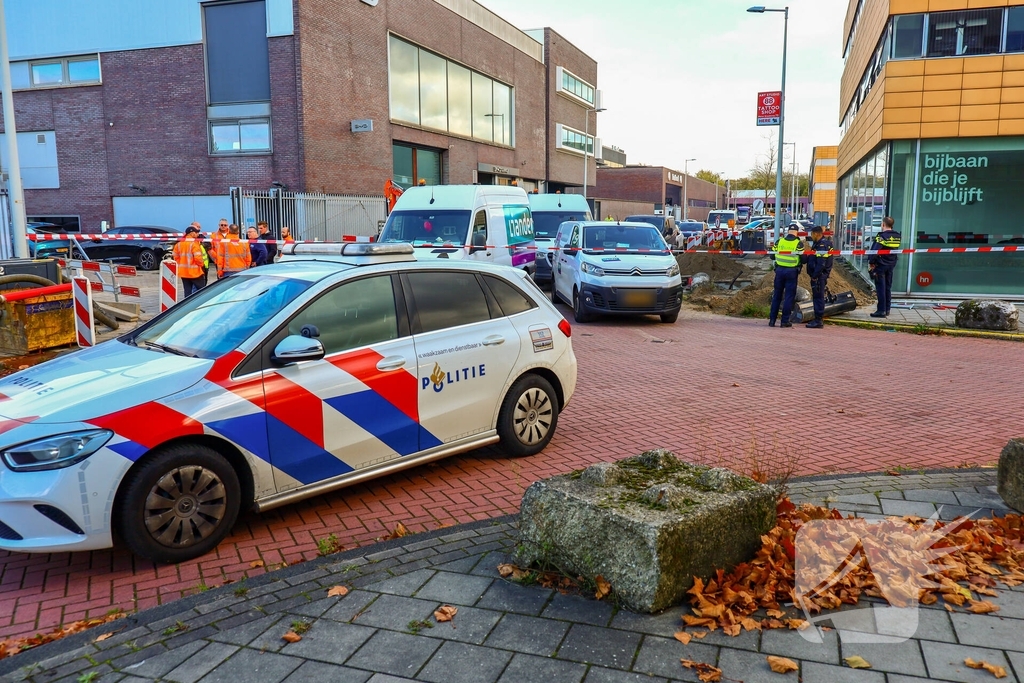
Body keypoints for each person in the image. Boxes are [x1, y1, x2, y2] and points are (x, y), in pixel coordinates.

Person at [769, 225, 803, 328]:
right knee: (789, 297)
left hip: (779, 271)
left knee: (777, 296)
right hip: (792, 272)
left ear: (788, 232)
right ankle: (784, 321)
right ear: (797, 232)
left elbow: (772, 256)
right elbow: (803, 259)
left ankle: (772, 320)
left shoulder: (779, 242)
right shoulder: (798, 243)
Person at [868, 216, 901, 318]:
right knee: (887, 287)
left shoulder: (881, 236)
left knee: (880, 288)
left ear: (883, 224)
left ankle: (881, 310)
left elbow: (874, 250)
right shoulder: (897, 236)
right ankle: (887, 309)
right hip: (891, 264)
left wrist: (871, 261)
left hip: (881, 265)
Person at [803, 225, 834, 329]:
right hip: (819, 276)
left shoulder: (822, 245)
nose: (811, 236)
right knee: (817, 297)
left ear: (816, 234)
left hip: (819, 276)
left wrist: (815, 276)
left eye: (812, 234)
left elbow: (821, 263)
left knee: (818, 298)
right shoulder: (819, 244)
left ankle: (818, 320)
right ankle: (817, 319)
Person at [173, 226, 207, 297]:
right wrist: (202, 265)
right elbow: (198, 258)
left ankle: (188, 303)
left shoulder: (178, 244)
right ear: (191, 233)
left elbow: (175, 257)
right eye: (196, 232)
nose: (198, 234)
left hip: (184, 273)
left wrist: (181, 265)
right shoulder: (194, 244)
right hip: (195, 273)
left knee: (187, 292)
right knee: (202, 292)